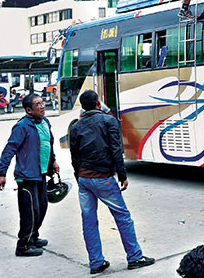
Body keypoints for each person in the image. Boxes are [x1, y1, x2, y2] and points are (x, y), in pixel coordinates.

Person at [70, 90, 155, 274]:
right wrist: (122, 175)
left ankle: (96, 262)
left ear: (82, 107)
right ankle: (134, 257)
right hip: (103, 179)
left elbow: (74, 156)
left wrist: (79, 178)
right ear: (98, 104)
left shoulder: (76, 126)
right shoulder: (109, 121)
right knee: (123, 217)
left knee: (89, 221)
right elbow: (116, 150)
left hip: (84, 179)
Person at [0, 94, 59, 257]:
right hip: (27, 175)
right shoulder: (22, 126)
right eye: (38, 104)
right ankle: (23, 245)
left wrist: (53, 161)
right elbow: (9, 149)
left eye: (42, 103)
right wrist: (2, 173)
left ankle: (33, 237)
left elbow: (48, 144)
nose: (42, 106)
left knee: (42, 207)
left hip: (42, 173)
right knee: (30, 211)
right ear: (29, 110)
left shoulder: (45, 122)